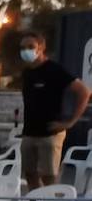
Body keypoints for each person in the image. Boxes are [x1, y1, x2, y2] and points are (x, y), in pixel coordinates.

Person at [18, 30, 91, 191]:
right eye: (23, 48)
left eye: (30, 47)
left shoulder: (54, 70)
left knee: (48, 177)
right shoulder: (27, 72)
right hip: (29, 132)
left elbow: (84, 92)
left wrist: (70, 122)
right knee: (30, 175)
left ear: (41, 47)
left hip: (50, 133)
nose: (26, 51)